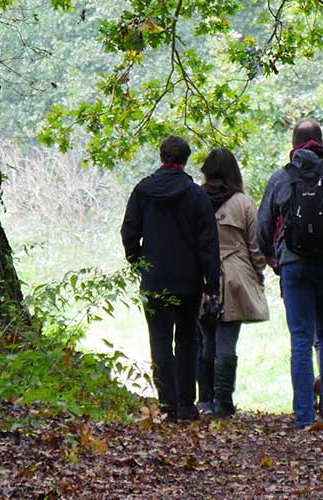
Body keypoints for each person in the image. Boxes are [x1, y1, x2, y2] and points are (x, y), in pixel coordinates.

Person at [256, 120, 323, 429]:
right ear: (321, 142)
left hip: (294, 265)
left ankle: (303, 417)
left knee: (301, 340)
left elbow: (262, 227)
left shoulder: (281, 178)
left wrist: (275, 258)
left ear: (294, 143)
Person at [121, 135, 220, 422]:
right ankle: (187, 404)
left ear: (162, 156)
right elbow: (208, 244)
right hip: (189, 281)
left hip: (154, 279)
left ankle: (166, 403)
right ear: (186, 159)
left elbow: (129, 232)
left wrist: (139, 263)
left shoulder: (143, 191)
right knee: (188, 340)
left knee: (160, 340)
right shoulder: (196, 195)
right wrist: (211, 284)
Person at [193, 148, 269, 417]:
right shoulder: (244, 203)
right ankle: (223, 402)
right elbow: (256, 246)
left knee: (206, 340)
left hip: (201, 276)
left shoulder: (195, 198)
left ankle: (205, 400)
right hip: (235, 276)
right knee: (227, 342)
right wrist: (258, 273)